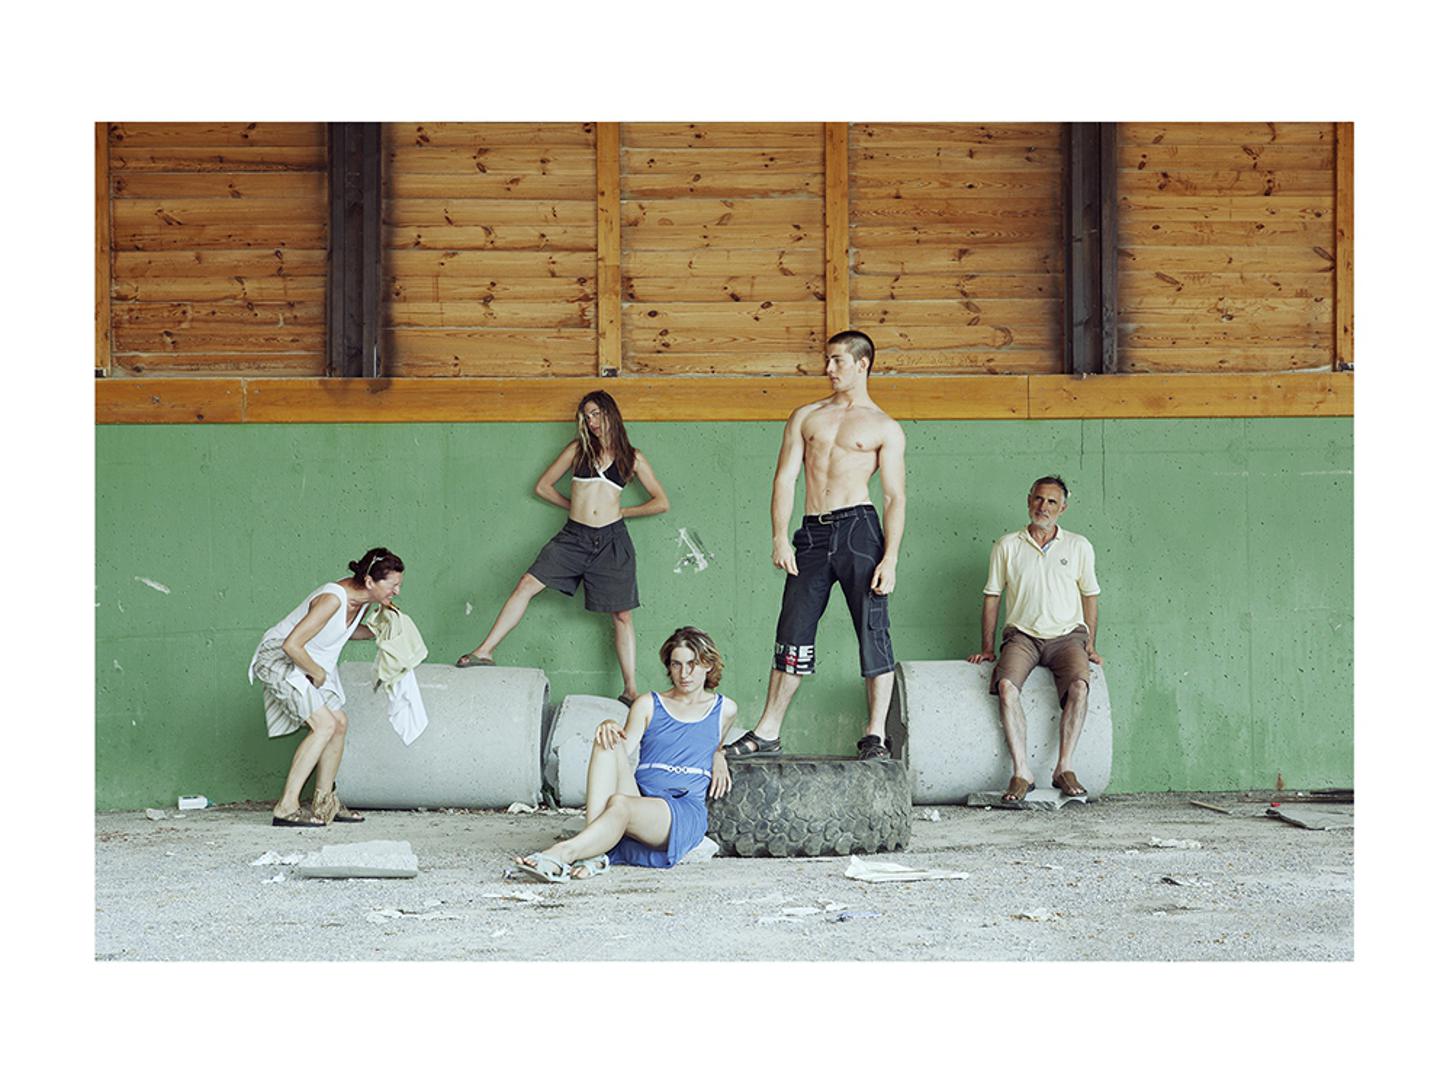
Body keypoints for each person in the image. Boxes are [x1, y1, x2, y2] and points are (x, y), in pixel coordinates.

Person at [723, 330, 906, 762]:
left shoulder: (884, 427)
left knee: (873, 630)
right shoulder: (806, 416)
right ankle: (768, 731)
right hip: (812, 532)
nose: (828, 369)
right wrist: (779, 536)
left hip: (860, 530)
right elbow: (785, 478)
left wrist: (891, 558)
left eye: (838, 360)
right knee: (793, 629)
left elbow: (894, 496)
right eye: (827, 360)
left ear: (862, 364)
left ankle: (875, 734)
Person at [457, 391, 669, 705]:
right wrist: (576, 508)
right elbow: (543, 487)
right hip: (574, 537)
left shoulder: (632, 458)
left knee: (622, 615)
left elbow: (661, 502)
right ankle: (484, 651)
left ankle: (630, 689)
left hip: (612, 541)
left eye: (596, 414)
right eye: (587, 416)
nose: (592, 422)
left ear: (610, 413)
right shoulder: (577, 450)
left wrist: (622, 511)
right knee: (526, 584)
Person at [513, 627, 737, 881]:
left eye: (692, 664)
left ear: (708, 665)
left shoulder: (725, 709)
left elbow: (714, 743)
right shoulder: (649, 704)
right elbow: (622, 747)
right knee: (606, 740)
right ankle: (593, 851)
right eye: (676, 664)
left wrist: (720, 755)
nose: (684, 674)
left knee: (620, 804)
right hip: (641, 795)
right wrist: (608, 723)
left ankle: (563, 853)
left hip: (680, 809)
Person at [967, 476, 1103, 802]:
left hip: (1067, 637)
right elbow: (992, 596)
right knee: (1006, 687)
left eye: (1052, 502)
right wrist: (987, 648)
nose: (1044, 507)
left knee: (1080, 687)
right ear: (1029, 500)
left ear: (1063, 508)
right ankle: (1022, 773)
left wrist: (1090, 644)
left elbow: (1090, 596)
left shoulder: (1079, 546)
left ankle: (1064, 768)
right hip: (1022, 636)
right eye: (1039, 499)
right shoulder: (1007, 545)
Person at [248, 547, 405, 826]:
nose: (397, 591)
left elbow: (345, 631)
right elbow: (291, 645)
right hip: (280, 658)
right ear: (370, 581)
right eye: (393, 585)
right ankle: (286, 807)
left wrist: (381, 630)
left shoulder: (362, 602)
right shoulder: (333, 599)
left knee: (339, 723)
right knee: (324, 725)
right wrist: (317, 673)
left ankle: (325, 804)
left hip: (307, 659)